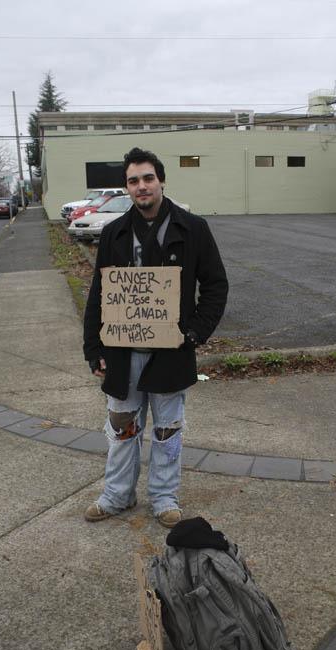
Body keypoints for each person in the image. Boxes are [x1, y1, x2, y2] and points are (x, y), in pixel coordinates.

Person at [83, 147, 228, 528]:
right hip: (121, 354)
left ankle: (164, 497)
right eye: (133, 180)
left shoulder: (193, 229)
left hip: (170, 354)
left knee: (167, 432)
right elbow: (99, 293)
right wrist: (93, 348)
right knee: (122, 428)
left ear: (161, 180)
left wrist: (194, 332)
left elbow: (215, 286)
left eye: (148, 178)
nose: (141, 186)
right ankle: (117, 494)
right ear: (127, 188)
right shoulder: (114, 232)